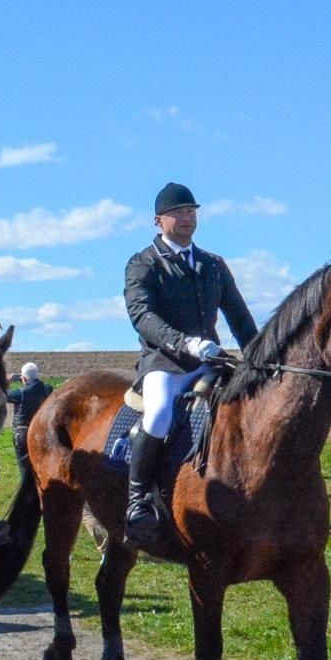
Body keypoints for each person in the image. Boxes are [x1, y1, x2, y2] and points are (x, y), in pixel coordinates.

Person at [121, 181, 258, 553]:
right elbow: (142, 315)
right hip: (165, 363)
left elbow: (240, 318)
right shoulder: (143, 264)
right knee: (161, 413)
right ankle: (138, 501)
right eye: (179, 212)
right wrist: (185, 343)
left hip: (211, 360)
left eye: (191, 211)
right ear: (158, 220)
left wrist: (262, 357)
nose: (186, 217)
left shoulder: (213, 264)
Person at [6, 361, 51, 474]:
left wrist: (8, 381)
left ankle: (28, 488)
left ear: (24, 378)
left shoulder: (20, 393)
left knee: (25, 470)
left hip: (22, 434)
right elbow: (44, 385)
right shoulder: (47, 389)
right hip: (40, 432)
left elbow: (3, 394)